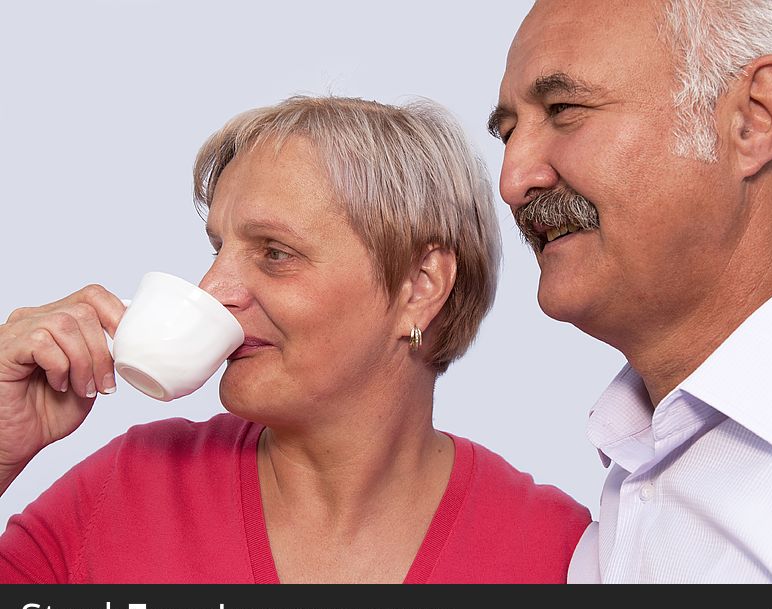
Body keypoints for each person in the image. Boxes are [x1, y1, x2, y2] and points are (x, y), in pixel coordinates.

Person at [0, 95, 590, 583]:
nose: (213, 289)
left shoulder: (560, 555)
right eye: (217, 250)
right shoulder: (125, 490)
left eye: (275, 254)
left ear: (419, 285)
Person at [490, 0, 772, 583]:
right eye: (508, 132)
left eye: (565, 109)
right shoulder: (630, 476)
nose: (513, 179)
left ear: (755, 119)